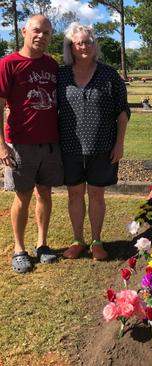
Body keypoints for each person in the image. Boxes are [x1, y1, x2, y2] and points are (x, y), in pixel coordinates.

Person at [57, 23, 129, 261]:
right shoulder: (61, 75)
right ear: (71, 47)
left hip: (102, 146)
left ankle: (97, 241)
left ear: (94, 45)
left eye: (88, 42)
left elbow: (122, 112)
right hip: (70, 146)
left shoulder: (109, 75)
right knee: (74, 195)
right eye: (78, 43)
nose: (84, 47)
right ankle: (78, 240)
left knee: (97, 194)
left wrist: (119, 144)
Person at [0, 15, 62, 273]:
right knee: (22, 196)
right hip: (20, 144)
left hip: (49, 143)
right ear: (24, 31)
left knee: (45, 194)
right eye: (37, 31)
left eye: (47, 33)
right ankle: (19, 249)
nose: (41, 36)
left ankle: (42, 244)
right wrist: (2, 146)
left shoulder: (52, 65)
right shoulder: (8, 64)